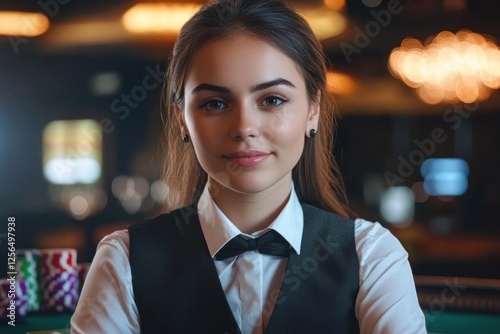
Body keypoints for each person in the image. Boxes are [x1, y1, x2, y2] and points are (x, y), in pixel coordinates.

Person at [71, 0, 426, 333]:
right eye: (214, 103)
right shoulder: (124, 260)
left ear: (312, 110)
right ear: (182, 119)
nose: (243, 128)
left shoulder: (373, 256)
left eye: (272, 100)